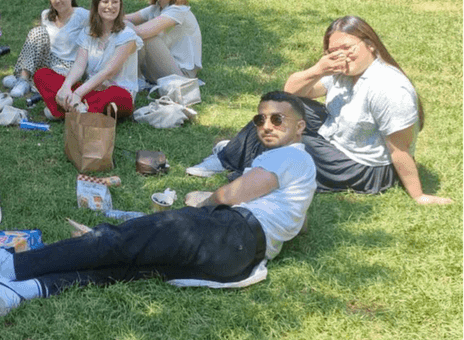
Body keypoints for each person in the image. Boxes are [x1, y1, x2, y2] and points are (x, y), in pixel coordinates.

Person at [0, 91, 316, 316]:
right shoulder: (295, 164)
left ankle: (8, 265)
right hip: (236, 259)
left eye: (277, 119)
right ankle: (18, 291)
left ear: (300, 127)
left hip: (231, 233)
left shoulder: (292, 156)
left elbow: (229, 196)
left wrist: (204, 199)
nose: (266, 125)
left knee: (119, 242)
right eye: (260, 118)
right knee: (126, 266)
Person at [187, 16, 452, 206]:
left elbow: (400, 150)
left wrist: (418, 195)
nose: (342, 56)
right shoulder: (341, 71)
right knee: (277, 109)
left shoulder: (389, 88)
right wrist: (318, 68)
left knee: (288, 141)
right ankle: (230, 156)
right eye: (333, 51)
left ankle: (244, 168)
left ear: (370, 44)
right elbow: (290, 91)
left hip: (363, 166)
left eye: (348, 48)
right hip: (338, 137)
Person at [33, 0, 142, 120]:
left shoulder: (127, 35)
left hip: (114, 94)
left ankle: (65, 110)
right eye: (105, 2)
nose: (110, 6)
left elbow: (109, 72)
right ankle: (79, 109)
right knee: (42, 74)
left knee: (119, 96)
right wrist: (66, 87)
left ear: (120, 6)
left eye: (115, 2)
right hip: (90, 91)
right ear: (97, 5)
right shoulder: (87, 32)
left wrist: (77, 94)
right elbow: (79, 65)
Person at [2, 0, 89, 99]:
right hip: (49, 61)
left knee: (60, 79)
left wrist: (123, 19)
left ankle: (29, 82)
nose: (57, 0)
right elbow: (40, 46)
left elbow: (105, 20)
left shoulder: (82, 15)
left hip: (69, 65)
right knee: (37, 32)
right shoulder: (46, 15)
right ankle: (23, 79)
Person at [124, 0, 202, 83]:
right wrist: (102, 15)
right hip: (164, 66)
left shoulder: (179, 10)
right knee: (127, 27)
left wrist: (118, 25)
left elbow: (140, 32)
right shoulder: (155, 8)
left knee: (146, 37)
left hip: (183, 75)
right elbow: (127, 18)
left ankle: (130, 77)